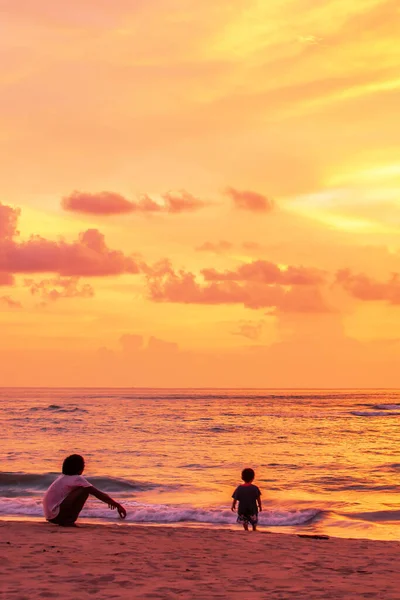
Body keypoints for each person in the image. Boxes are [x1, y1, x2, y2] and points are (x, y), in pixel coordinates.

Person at [43, 454, 127, 527]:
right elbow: (98, 494)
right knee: (84, 490)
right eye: (83, 465)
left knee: (83, 489)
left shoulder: (62, 477)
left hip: (50, 516)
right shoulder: (77, 478)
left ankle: (67, 520)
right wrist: (117, 505)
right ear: (79, 468)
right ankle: (69, 521)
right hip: (56, 515)